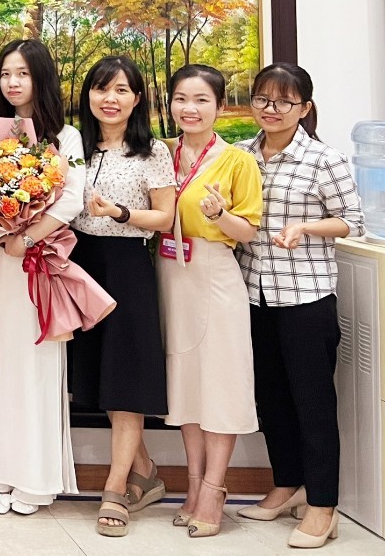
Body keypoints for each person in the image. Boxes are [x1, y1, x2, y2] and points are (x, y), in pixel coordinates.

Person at [235, 62, 363, 549]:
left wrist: (305, 227)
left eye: (284, 101)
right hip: (254, 293)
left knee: (313, 404)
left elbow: (353, 221)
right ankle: (287, 484)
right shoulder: (242, 155)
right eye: (262, 99)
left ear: (304, 108)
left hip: (306, 297)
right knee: (271, 398)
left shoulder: (323, 159)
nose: (271, 109)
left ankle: (323, 505)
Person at [68, 55, 175, 538]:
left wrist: (120, 213)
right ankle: (146, 472)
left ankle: (115, 489)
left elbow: (165, 218)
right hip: (79, 263)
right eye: (100, 88)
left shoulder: (151, 151)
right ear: (87, 95)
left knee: (126, 376)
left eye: (121, 90)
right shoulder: (75, 148)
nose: (109, 98)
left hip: (127, 266)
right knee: (102, 375)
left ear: (136, 99)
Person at [157, 64, 262, 538]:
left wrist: (220, 214)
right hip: (170, 276)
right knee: (186, 383)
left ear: (220, 106)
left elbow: (249, 232)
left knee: (220, 383)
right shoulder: (163, 153)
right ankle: (194, 485)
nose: (190, 108)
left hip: (215, 275)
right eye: (181, 98)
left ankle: (215, 489)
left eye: (201, 100)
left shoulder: (237, 161)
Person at [0, 39, 83, 516]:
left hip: (36, 262)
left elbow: (72, 198)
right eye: (5, 74)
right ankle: (0, 472)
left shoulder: (66, 136)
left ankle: (36, 478)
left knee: (35, 365)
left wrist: (25, 236)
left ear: (41, 77)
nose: (12, 82)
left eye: (22, 73)